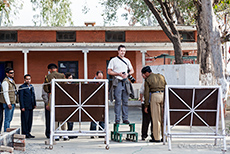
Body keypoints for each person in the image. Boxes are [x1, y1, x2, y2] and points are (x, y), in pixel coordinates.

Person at [108, 45, 134, 124]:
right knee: (118, 101)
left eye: (124, 51)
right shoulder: (113, 60)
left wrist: (128, 74)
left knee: (125, 101)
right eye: (121, 51)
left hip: (125, 81)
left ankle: (125, 118)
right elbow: (109, 71)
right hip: (117, 81)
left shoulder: (127, 60)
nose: (123, 52)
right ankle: (117, 119)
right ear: (118, 51)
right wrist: (118, 74)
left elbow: (132, 70)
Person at [43, 63, 69, 141]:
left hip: (53, 96)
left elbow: (46, 89)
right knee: (63, 115)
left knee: (54, 116)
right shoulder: (61, 76)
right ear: (56, 69)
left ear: (50, 70)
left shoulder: (48, 77)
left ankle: (56, 134)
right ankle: (65, 134)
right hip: (61, 97)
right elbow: (66, 86)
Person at [141, 66, 167, 142]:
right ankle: (165, 136)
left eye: (143, 74)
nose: (143, 76)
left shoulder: (148, 79)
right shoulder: (161, 76)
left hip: (155, 96)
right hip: (163, 95)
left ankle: (156, 138)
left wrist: (146, 106)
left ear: (146, 73)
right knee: (163, 118)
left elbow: (146, 94)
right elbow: (166, 86)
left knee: (156, 119)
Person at [19, 74, 36, 138]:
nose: (28, 80)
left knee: (30, 120)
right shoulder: (22, 87)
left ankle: (28, 132)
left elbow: (33, 95)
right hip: (25, 106)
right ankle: (24, 132)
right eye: (27, 79)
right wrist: (22, 106)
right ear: (24, 80)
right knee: (25, 120)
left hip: (30, 106)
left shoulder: (31, 86)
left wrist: (34, 104)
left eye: (29, 79)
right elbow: (21, 98)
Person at [0, 68, 17, 132]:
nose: (12, 74)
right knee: (7, 119)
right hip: (8, 103)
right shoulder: (5, 82)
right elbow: (5, 93)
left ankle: (7, 130)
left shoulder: (12, 81)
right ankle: (6, 131)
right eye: (11, 73)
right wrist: (8, 103)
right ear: (7, 74)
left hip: (12, 102)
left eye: (13, 72)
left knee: (10, 119)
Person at [90, 71, 105, 139]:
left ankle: (101, 133)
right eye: (99, 77)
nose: (100, 79)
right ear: (95, 76)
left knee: (102, 118)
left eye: (101, 78)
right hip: (93, 102)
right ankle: (92, 133)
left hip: (101, 102)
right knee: (94, 118)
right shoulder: (91, 83)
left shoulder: (104, 83)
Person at [139, 73, 153, 141]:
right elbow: (141, 92)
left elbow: (141, 92)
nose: (143, 76)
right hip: (150, 102)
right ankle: (149, 135)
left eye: (143, 75)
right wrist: (142, 100)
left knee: (146, 120)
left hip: (148, 102)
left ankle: (145, 135)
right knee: (150, 120)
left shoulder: (146, 81)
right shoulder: (149, 81)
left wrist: (142, 101)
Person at [65, 72, 78, 139]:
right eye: (70, 78)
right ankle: (65, 133)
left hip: (72, 104)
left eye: (72, 78)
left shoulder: (73, 85)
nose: (71, 79)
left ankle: (70, 132)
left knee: (71, 120)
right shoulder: (64, 85)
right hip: (66, 104)